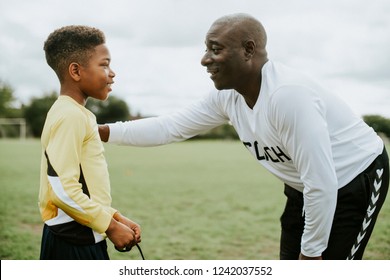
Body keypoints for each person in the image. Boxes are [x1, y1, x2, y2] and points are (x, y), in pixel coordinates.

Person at [99, 13, 389, 260]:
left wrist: (312, 254)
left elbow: (323, 182)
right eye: (206, 49)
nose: (204, 59)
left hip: (353, 177)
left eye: (215, 49)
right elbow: (170, 127)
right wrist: (102, 132)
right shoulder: (227, 97)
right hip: (306, 186)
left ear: (249, 50)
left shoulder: (287, 97)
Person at [39, 25, 141, 259]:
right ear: (75, 71)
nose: (112, 73)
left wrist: (113, 217)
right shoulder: (70, 116)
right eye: (104, 65)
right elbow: (62, 189)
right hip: (73, 240)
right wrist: (110, 226)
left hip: (83, 233)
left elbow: (85, 186)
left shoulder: (74, 113)